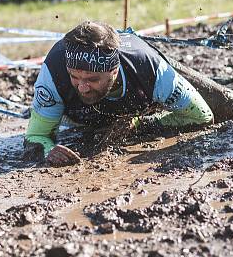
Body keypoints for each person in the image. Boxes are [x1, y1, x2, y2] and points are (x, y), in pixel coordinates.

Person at [24, 20, 214, 166]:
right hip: (78, 117)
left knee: (231, 104)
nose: (82, 87)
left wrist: (140, 124)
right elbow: (35, 137)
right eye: (74, 76)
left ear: (114, 71)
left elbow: (201, 117)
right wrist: (49, 151)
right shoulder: (54, 70)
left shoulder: (148, 68)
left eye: (92, 79)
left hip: (148, 78)